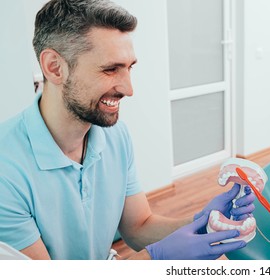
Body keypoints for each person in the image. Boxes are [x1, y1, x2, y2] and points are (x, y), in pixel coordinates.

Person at [0, 0, 255, 260]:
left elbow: (138, 227)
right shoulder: (6, 171)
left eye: (129, 67)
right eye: (110, 69)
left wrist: (201, 223)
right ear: (54, 67)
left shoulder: (114, 135)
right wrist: (154, 260)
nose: (128, 89)